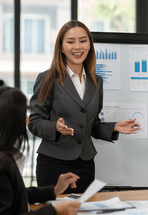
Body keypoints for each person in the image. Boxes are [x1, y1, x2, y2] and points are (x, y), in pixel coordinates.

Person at [28, 20, 141, 193]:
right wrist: (55, 128)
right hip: (53, 163)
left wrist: (114, 127)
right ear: (61, 46)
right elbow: (34, 122)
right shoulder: (48, 78)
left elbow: (91, 124)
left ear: (90, 44)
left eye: (83, 40)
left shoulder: (96, 82)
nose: (77, 47)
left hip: (85, 163)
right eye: (70, 42)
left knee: (85, 210)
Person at [0, 86, 81, 215]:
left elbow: (17, 193)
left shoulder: (2, 155)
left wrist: (54, 190)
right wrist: (54, 210)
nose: (28, 119)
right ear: (11, 120)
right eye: (24, 113)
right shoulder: (0, 162)